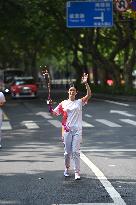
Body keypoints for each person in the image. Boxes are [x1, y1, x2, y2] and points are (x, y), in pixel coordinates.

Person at [48, 73, 91, 180]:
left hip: (77, 130)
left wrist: (86, 84)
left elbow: (89, 95)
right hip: (67, 130)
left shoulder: (79, 102)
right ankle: (67, 168)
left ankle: (77, 172)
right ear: (68, 92)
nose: (72, 92)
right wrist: (49, 106)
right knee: (67, 152)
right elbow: (54, 113)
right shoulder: (63, 103)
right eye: (70, 90)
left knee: (76, 152)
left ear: (76, 93)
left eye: (74, 90)